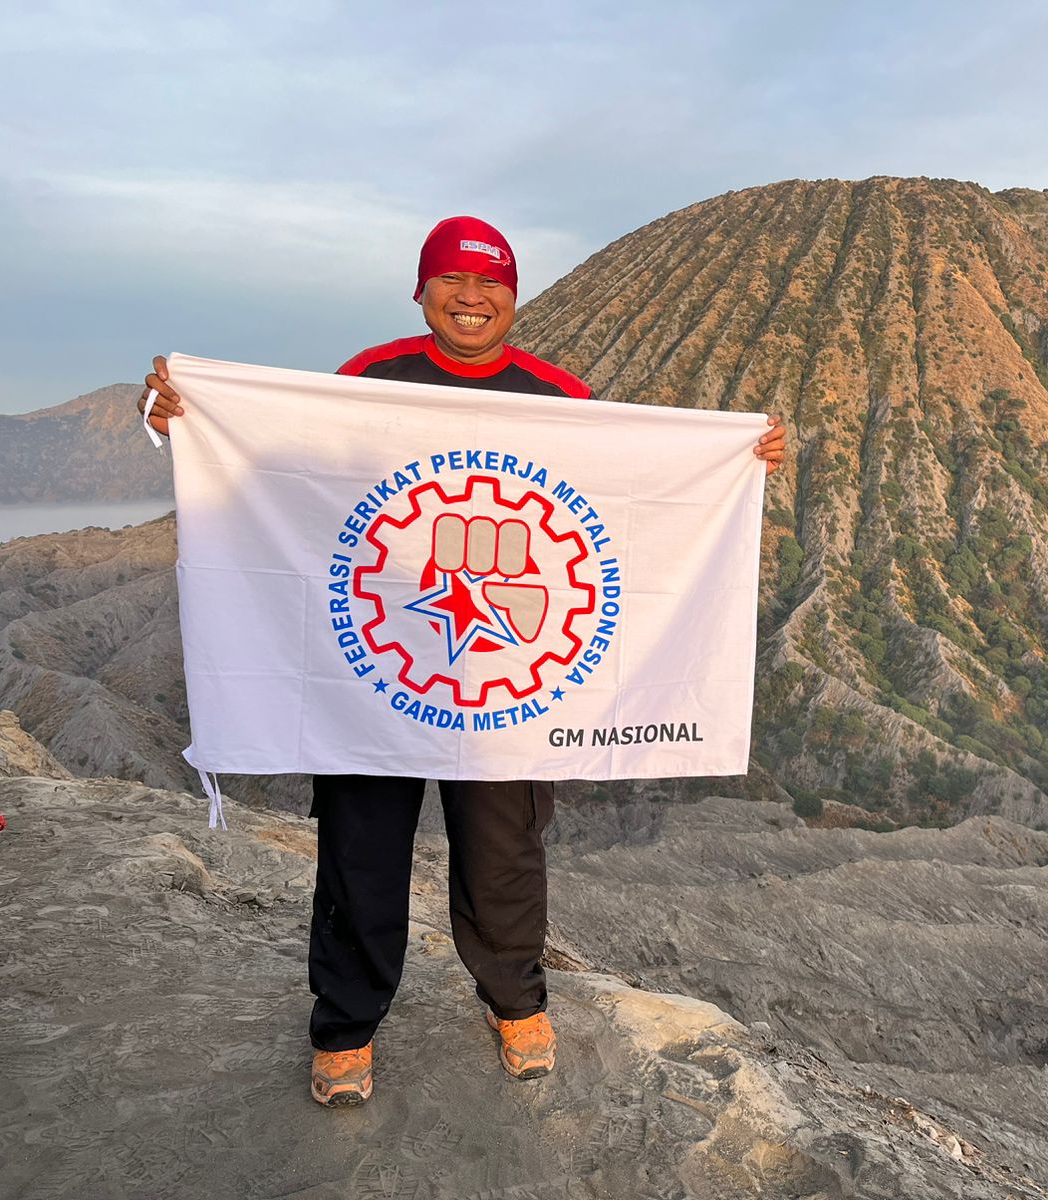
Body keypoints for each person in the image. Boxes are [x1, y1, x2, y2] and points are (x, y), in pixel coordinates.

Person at [141, 215, 786, 1106]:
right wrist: (186, 418)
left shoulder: (556, 393)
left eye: (490, 283)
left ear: (513, 297)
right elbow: (289, 472)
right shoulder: (371, 381)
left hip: (508, 689)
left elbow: (626, 498)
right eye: (452, 280)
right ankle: (345, 1028)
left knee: (504, 851)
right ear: (423, 290)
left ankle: (515, 1002)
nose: (471, 297)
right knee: (361, 851)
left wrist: (735, 462)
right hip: (373, 673)